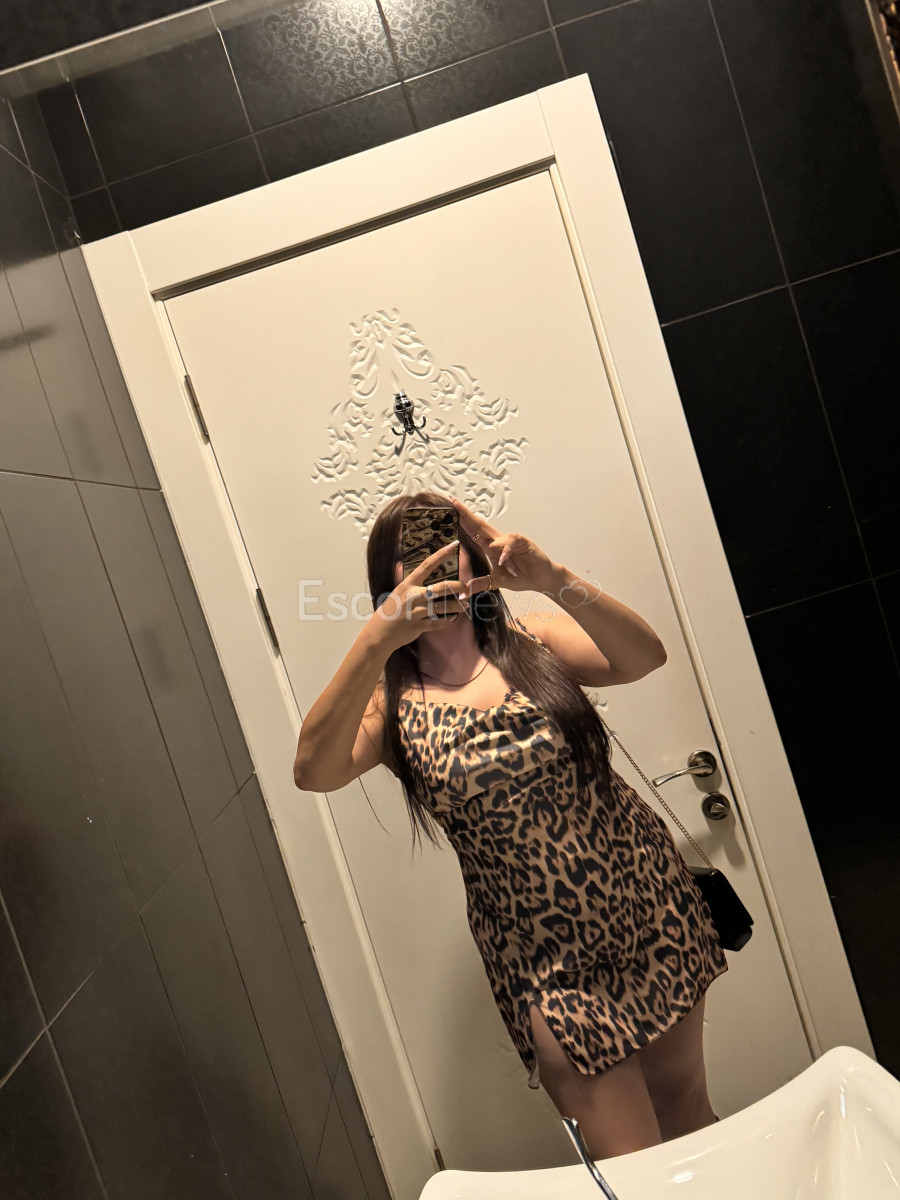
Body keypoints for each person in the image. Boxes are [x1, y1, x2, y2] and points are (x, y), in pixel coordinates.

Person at [294, 488, 728, 1159]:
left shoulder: (534, 640)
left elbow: (646, 656)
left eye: (448, 550)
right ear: (387, 581)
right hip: (546, 965)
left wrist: (552, 578)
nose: (435, 568)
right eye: (411, 560)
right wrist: (376, 637)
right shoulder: (390, 706)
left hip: (649, 909)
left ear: (476, 559)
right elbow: (313, 771)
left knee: (690, 1115)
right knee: (633, 1169)